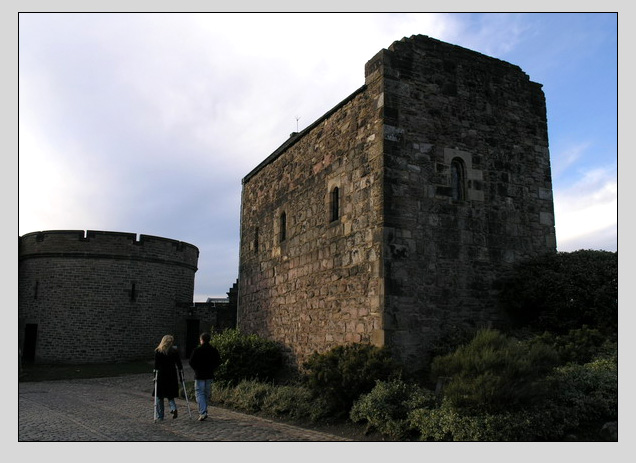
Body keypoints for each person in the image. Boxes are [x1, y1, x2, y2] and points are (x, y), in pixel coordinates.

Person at [188, 332, 221, 421]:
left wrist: (196, 369)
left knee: (199, 393)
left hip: (199, 375)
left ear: (201, 340)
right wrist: (212, 368)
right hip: (209, 374)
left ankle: (203, 412)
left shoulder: (197, 350)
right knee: (206, 394)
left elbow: (191, 362)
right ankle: (204, 410)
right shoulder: (213, 350)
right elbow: (218, 361)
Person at [153, 335, 183, 421]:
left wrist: (154, 377)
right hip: (171, 375)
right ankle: (173, 408)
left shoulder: (158, 351)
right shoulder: (174, 351)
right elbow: (179, 364)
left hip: (162, 375)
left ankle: (160, 416)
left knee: (159, 395)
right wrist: (181, 375)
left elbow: (156, 366)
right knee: (170, 394)